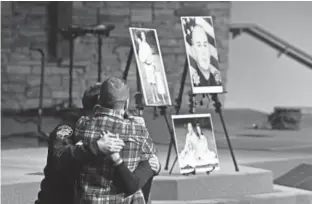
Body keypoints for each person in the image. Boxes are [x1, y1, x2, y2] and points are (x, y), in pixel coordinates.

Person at [35, 83, 160, 204]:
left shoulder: (118, 126)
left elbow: (137, 173)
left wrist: (150, 166)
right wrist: (95, 147)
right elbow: (58, 155)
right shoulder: (71, 126)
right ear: (97, 107)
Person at [75, 77, 157, 203]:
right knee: (148, 168)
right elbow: (152, 160)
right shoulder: (137, 130)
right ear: (126, 102)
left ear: (100, 100)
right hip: (122, 199)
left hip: (88, 200)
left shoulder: (82, 124)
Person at [137, 31, 163, 104]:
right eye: (142, 36)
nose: (143, 37)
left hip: (151, 65)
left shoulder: (146, 44)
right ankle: (153, 97)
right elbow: (141, 58)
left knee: (155, 83)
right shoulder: (141, 45)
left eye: (143, 35)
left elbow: (150, 54)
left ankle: (156, 97)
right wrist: (147, 61)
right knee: (151, 83)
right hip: (148, 66)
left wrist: (152, 62)